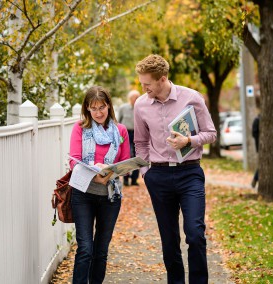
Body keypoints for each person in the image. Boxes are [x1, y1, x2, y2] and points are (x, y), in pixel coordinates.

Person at [133, 54, 217, 283]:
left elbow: (211, 133)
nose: (144, 88)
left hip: (189, 173)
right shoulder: (141, 104)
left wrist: (188, 141)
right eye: (142, 83)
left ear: (162, 79)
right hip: (158, 176)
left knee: (195, 234)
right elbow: (140, 142)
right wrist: (145, 172)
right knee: (169, 240)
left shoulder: (192, 98)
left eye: (147, 84)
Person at [69, 85, 130, 284]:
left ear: (109, 106)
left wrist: (111, 171)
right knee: (85, 248)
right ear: (87, 108)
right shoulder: (80, 128)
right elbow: (73, 160)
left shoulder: (120, 131)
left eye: (101, 107)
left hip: (110, 197)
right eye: (93, 108)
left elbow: (125, 162)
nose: (98, 113)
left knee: (101, 251)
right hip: (83, 194)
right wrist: (94, 174)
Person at [117, 90, 141, 186]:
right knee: (126, 155)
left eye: (137, 97)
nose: (135, 99)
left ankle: (134, 179)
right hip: (125, 133)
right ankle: (126, 179)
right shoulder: (123, 108)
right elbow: (118, 122)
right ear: (130, 98)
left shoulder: (140, 108)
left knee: (137, 156)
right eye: (134, 97)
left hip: (137, 133)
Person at [251, 114, 260, 188]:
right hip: (260, 147)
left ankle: (255, 178)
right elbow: (254, 133)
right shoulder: (257, 120)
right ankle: (255, 178)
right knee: (261, 164)